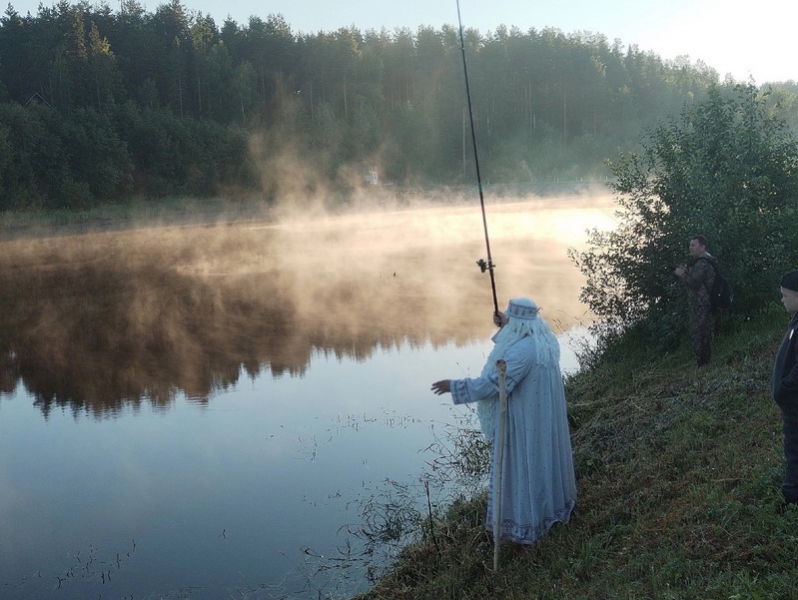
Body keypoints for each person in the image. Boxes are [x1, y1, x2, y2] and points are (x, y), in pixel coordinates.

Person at [431, 297, 577, 545]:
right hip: (541, 418)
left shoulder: (523, 350)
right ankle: (549, 512)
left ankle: (528, 526)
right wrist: (505, 323)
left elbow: (495, 383)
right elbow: (511, 344)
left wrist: (455, 386)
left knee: (525, 469)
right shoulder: (544, 341)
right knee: (541, 464)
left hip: (524, 421)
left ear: (517, 322)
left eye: (510, 319)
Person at [772, 271, 798, 508]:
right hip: (791, 403)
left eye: (785, 295)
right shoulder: (795, 322)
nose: (782, 300)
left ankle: (791, 498)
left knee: (794, 448)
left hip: (794, 404)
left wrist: (785, 386)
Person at [674, 235, 716, 366]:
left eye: (693, 245)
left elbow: (694, 282)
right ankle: (704, 362)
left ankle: (703, 363)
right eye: (690, 245)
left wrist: (682, 274)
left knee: (699, 332)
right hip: (703, 303)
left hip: (701, 304)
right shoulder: (705, 260)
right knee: (702, 332)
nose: (690, 248)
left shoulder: (703, 262)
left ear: (702, 247)